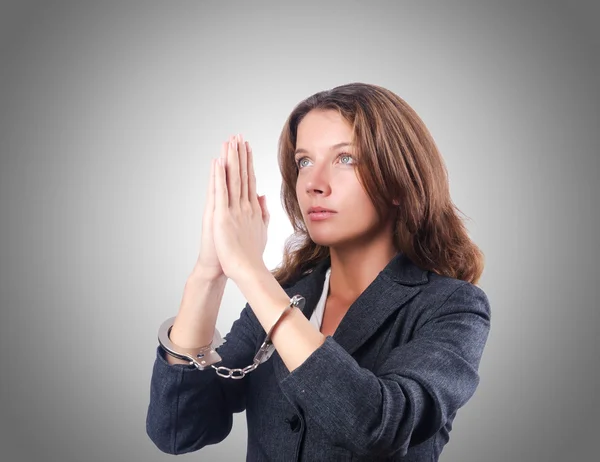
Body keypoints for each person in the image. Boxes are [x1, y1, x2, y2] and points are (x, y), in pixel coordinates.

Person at [145, 82, 491, 461]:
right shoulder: (292, 290)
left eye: (346, 159)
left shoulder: (452, 307)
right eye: (304, 162)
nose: (313, 184)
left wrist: (250, 270)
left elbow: (377, 428)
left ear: (397, 181)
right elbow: (177, 430)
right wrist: (209, 272)